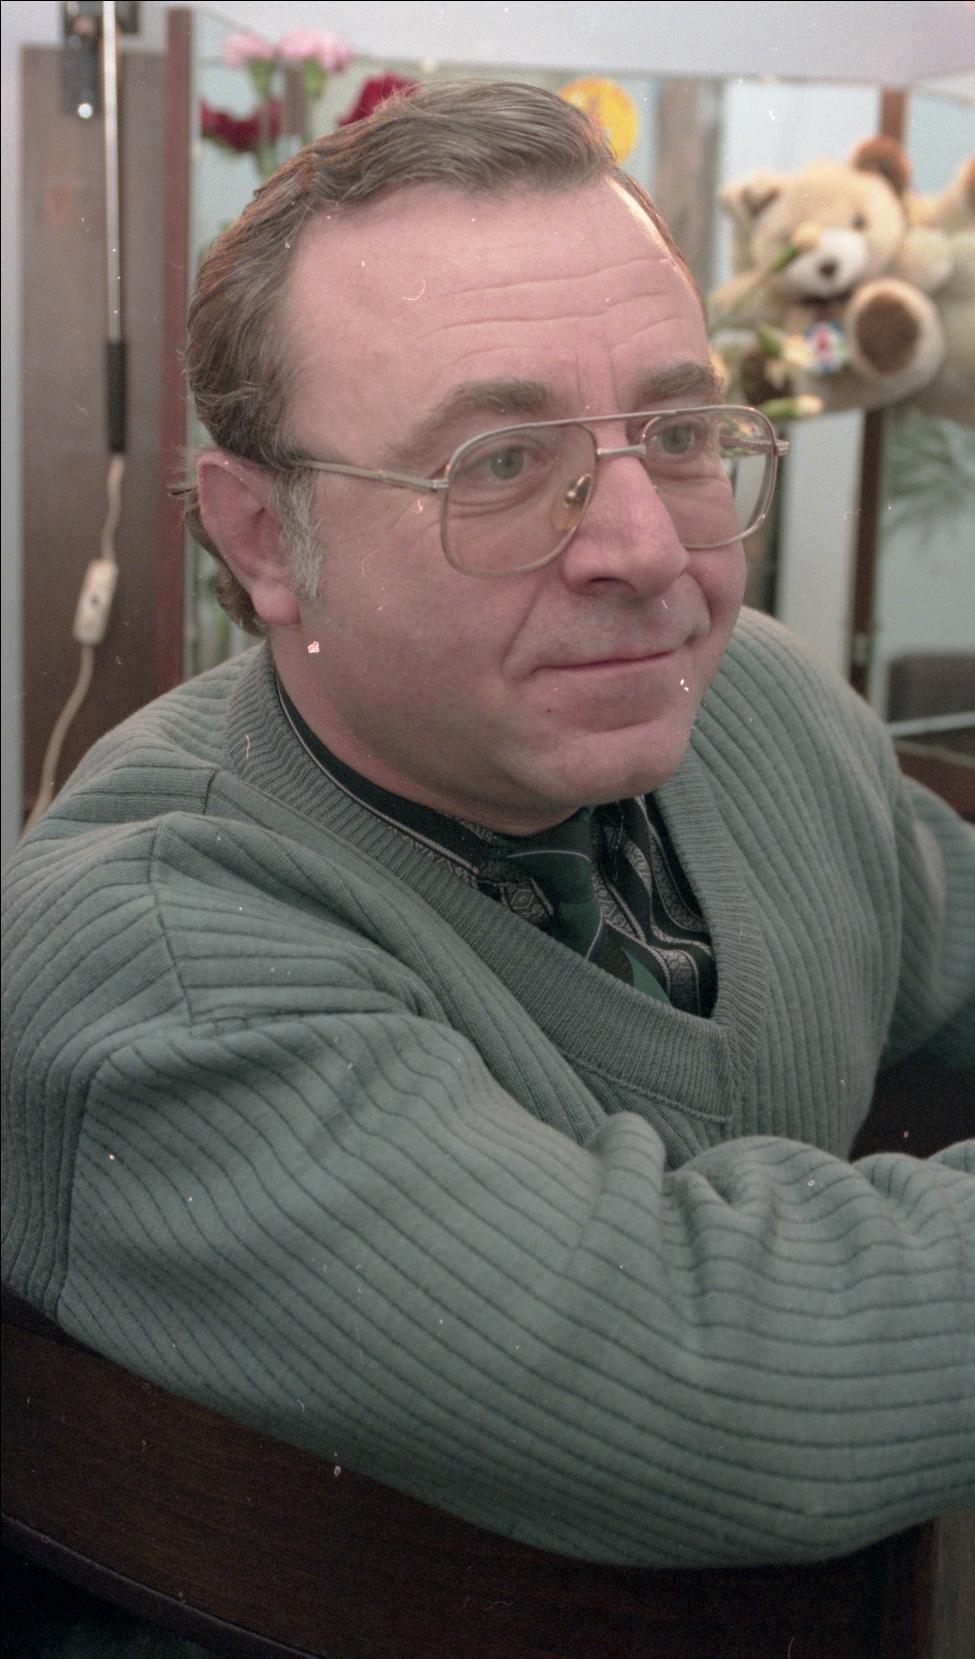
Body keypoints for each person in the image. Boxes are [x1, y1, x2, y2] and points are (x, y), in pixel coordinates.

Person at [2, 81, 973, 1573]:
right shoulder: (156, 957)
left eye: (677, 431)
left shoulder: (758, 707)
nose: (646, 549)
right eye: (502, 464)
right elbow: (725, 1388)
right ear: (263, 537)